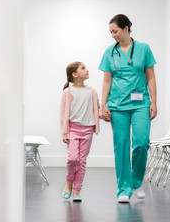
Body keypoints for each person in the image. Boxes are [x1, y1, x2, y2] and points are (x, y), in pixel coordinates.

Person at [99, 14, 157, 203]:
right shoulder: (110, 51)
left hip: (141, 104)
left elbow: (151, 77)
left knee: (141, 142)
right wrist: (103, 105)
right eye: (110, 32)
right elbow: (107, 80)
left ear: (125, 29)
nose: (112, 35)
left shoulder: (144, 48)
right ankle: (123, 189)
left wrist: (154, 102)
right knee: (121, 146)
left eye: (114, 31)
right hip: (117, 106)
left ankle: (136, 181)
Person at [60, 62, 100, 202]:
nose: (87, 69)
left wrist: (104, 113)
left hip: (88, 130)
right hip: (73, 130)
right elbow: (63, 115)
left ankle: (77, 191)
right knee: (72, 159)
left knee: (82, 161)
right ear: (75, 74)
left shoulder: (92, 91)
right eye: (83, 68)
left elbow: (97, 108)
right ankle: (69, 183)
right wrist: (65, 133)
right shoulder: (68, 92)